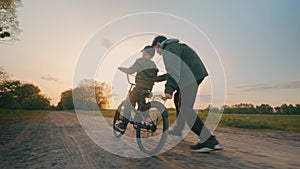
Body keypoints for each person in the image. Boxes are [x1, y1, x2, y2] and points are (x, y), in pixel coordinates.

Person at [152, 35, 222, 152]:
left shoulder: (168, 48)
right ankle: (179, 128)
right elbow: (175, 71)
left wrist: (169, 89)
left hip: (190, 77)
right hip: (193, 74)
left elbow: (173, 70)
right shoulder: (175, 46)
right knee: (177, 97)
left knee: (185, 108)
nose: (159, 54)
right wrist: (157, 79)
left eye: (157, 51)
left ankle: (209, 141)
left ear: (159, 45)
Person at [114, 45, 158, 132]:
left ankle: (123, 124)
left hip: (139, 87)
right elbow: (154, 78)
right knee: (141, 104)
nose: (142, 54)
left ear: (146, 53)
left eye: (143, 52)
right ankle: (141, 120)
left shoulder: (140, 61)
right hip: (148, 89)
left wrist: (122, 69)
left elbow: (131, 70)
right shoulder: (153, 65)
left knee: (128, 102)